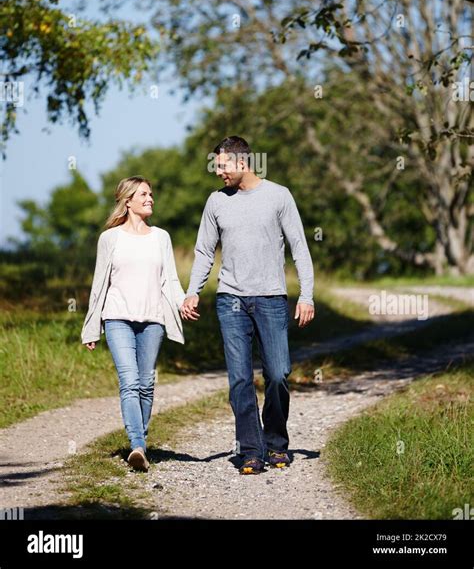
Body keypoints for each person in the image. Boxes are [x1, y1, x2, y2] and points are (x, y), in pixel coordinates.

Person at [181, 136, 315, 474]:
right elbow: (203, 252)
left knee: (278, 374)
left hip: (271, 298)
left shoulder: (278, 196)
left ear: (242, 162)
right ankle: (252, 450)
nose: (218, 173)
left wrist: (307, 295)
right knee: (240, 380)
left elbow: (300, 247)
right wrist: (192, 291)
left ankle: (276, 443)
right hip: (230, 300)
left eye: (222, 166)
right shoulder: (216, 202)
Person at [81, 175, 185, 472]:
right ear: (127, 201)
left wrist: (184, 303)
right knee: (129, 381)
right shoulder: (110, 239)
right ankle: (137, 445)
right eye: (143, 194)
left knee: (147, 383)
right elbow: (99, 285)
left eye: (151, 194)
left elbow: (171, 280)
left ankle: (140, 441)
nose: (150, 198)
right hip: (117, 318)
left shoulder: (161, 237)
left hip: (153, 319)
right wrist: (91, 327)